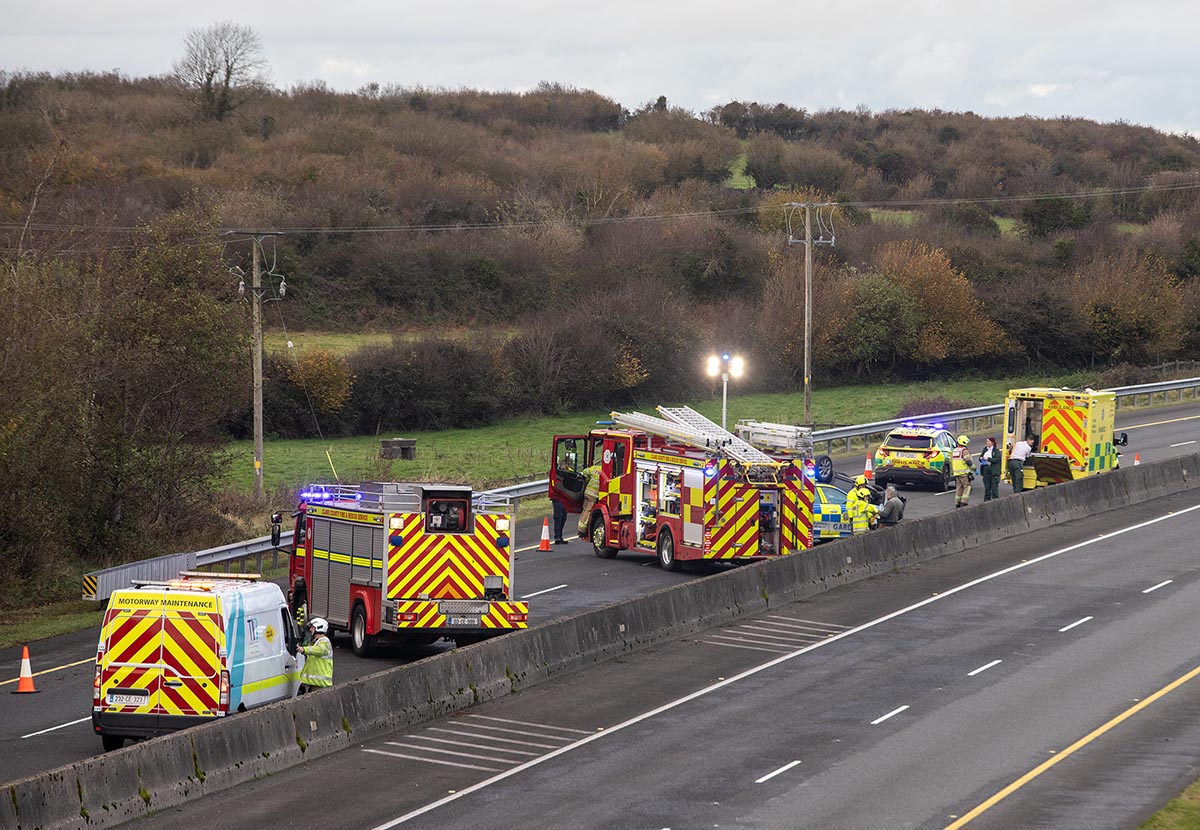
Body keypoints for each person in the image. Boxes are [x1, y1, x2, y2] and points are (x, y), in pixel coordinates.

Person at [297, 618, 333, 694]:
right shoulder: (315, 642)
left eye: (312, 627)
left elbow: (319, 650)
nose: (310, 629)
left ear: (318, 627)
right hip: (312, 684)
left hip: (320, 685)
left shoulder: (324, 641)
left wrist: (304, 650)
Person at [576, 462, 602, 537]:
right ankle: (582, 531)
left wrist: (587, 479)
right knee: (588, 512)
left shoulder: (594, 468)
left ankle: (579, 528)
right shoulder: (604, 472)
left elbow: (584, 472)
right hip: (593, 496)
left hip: (587, 493)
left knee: (584, 510)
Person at [951, 435, 975, 508]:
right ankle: (964, 502)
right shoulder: (964, 451)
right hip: (964, 473)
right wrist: (974, 469)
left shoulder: (954, 451)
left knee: (959, 488)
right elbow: (968, 462)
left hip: (956, 473)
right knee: (967, 487)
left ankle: (957, 503)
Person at [979, 437, 1002, 501]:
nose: (987, 443)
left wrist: (988, 459)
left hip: (993, 471)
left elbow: (997, 460)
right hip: (986, 470)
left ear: (992, 442)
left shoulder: (996, 451)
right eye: (986, 441)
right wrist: (981, 458)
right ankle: (986, 501)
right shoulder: (984, 450)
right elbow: (981, 457)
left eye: (988, 441)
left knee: (994, 489)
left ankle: (995, 501)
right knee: (987, 488)